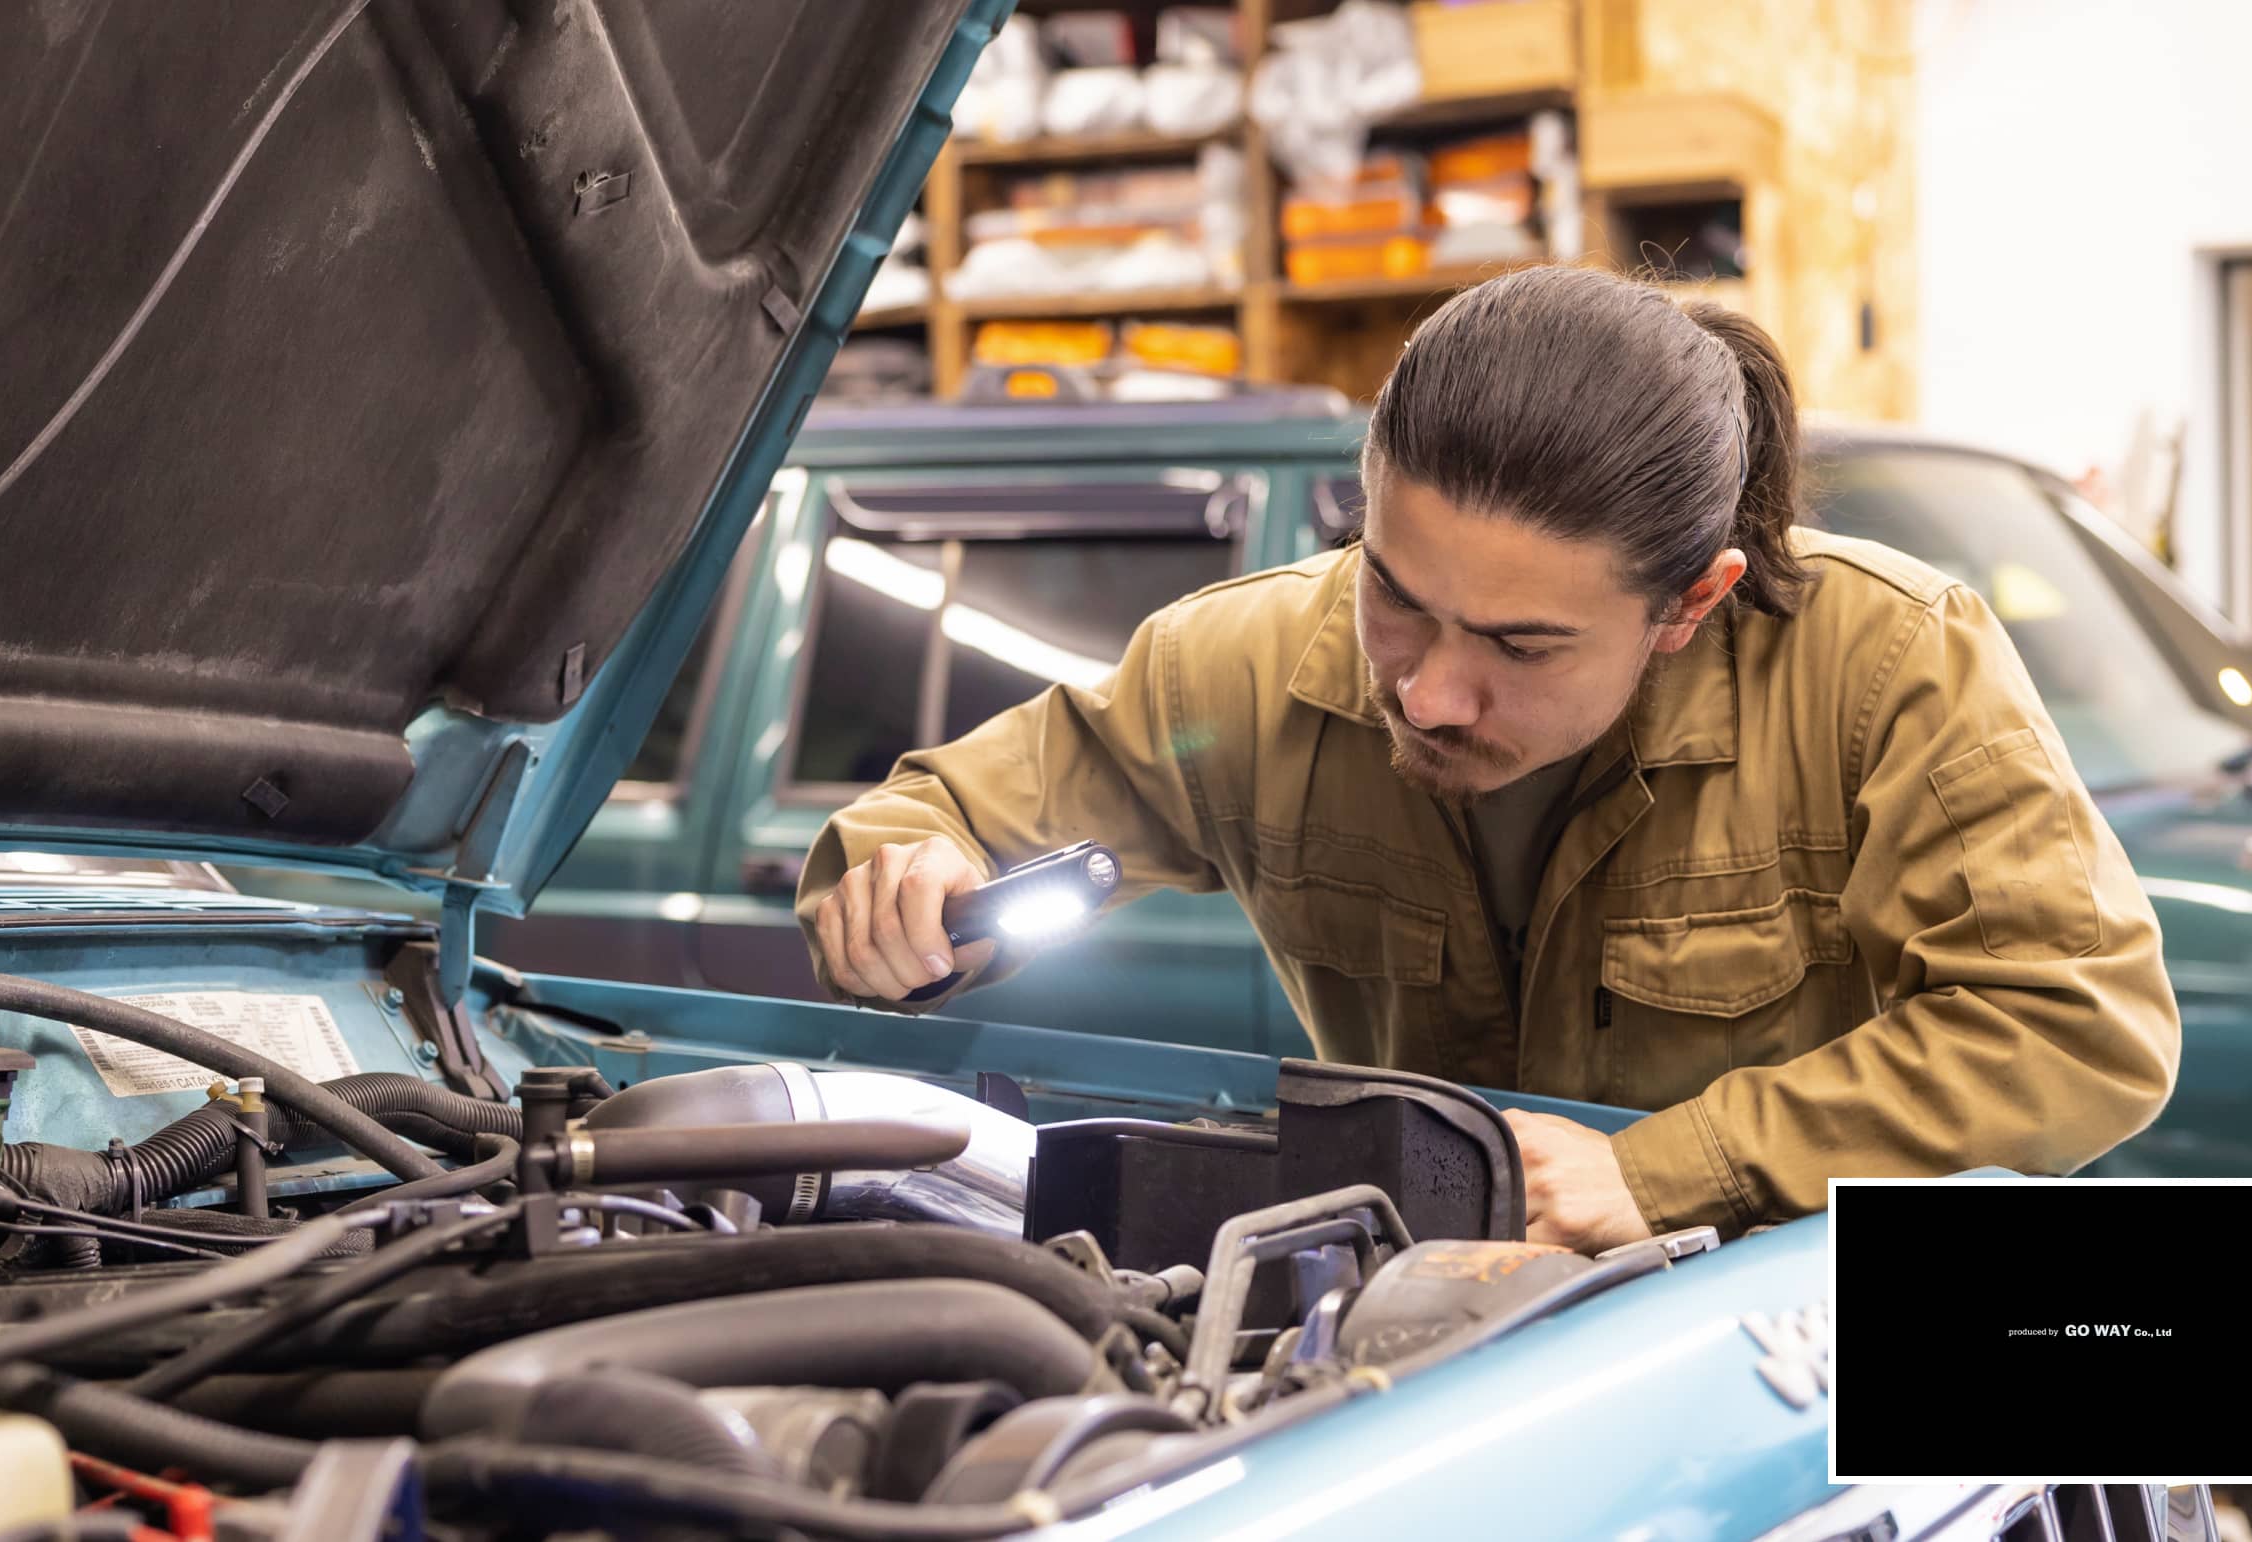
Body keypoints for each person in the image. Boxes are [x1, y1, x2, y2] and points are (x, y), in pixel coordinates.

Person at [794, 265, 2179, 1253]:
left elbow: (2079, 1025)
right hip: (1421, 1327)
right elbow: (934, 823)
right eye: (1396, 591)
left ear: (1689, 604)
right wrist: (901, 887)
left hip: (1776, 1344)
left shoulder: (1885, 670)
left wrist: (1667, 1171)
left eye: (1522, 645)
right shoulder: (1240, 668)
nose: (1432, 691)